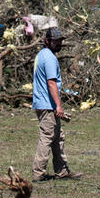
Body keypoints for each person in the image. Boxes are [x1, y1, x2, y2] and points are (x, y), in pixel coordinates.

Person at [32, 27, 81, 181]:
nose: (59, 43)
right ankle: (38, 173)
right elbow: (51, 83)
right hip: (48, 105)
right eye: (56, 41)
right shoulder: (50, 58)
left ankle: (62, 171)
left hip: (44, 103)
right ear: (47, 41)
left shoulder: (42, 55)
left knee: (57, 137)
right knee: (47, 138)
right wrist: (58, 106)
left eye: (60, 40)